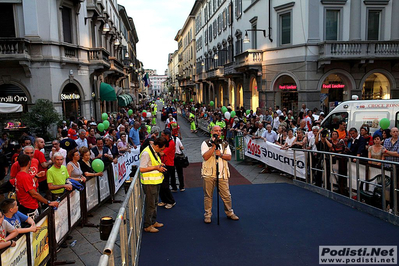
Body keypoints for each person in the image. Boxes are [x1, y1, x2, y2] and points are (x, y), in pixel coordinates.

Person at [201, 125, 239, 224]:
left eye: (219, 131)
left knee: (226, 195)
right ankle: (208, 214)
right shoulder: (205, 143)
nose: (218, 132)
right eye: (216, 131)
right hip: (209, 173)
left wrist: (221, 154)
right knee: (208, 195)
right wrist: (213, 147)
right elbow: (205, 157)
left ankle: (229, 212)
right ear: (211, 132)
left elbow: (229, 157)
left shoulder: (224, 144)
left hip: (222, 173)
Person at [139, 137, 168, 233]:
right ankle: (148, 225)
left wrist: (159, 165)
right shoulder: (146, 153)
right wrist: (156, 167)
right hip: (149, 183)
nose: (162, 151)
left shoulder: (153, 151)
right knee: (150, 204)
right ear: (156, 146)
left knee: (155, 203)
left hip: (155, 181)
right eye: (161, 149)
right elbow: (142, 169)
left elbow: (153, 163)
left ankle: (153, 221)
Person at [158, 130, 176, 208]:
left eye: (163, 135)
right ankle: (164, 200)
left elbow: (162, 153)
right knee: (161, 184)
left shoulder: (171, 143)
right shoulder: (166, 142)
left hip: (168, 165)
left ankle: (171, 201)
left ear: (167, 136)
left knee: (165, 184)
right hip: (163, 164)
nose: (162, 137)